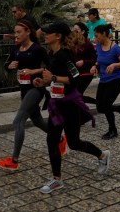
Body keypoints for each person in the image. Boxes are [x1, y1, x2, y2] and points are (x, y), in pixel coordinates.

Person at [35, 22, 111, 194]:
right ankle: (57, 179)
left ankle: (102, 155)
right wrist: (43, 81)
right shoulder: (51, 54)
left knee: (74, 143)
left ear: (58, 36)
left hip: (69, 105)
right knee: (52, 140)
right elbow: (54, 79)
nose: (45, 35)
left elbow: (75, 79)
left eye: (48, 33)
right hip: (56, 104)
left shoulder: (65, 55)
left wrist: (53, 77)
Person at [0, 19, 55, 171]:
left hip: (36, 89)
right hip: (23, 89)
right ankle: (60, 138)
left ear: (28, 32)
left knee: (18, 121)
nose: (16, 35)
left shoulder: (37, 49)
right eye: (15, 32)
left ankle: (14, 161)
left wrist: (33, 71)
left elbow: (50, 67)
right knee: (38, 121)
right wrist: (10, 66)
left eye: (19, 32)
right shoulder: (16, 49)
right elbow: (6, 65)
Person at [91, 24, 120, 139]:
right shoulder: (98, 46)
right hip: (104, 79)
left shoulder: (115, 47)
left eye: (97, 36)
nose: (96, 39)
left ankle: (113, 130)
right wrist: (94, 66)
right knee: (100, 107)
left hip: (116, 79)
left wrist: (114, 64)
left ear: (104, 34)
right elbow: (98, 60)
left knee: (106, 105)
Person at [70, 22, 97, 105]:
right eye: (73, 30)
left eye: (76, 30)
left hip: (86, 73)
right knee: (76, 96)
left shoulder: (88, 44)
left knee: (76, 95)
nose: (74, 32)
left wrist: (84, 62)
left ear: (83, 31)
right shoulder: (73, 43)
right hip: (76, 73)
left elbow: (94, 59)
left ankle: (99, 103)